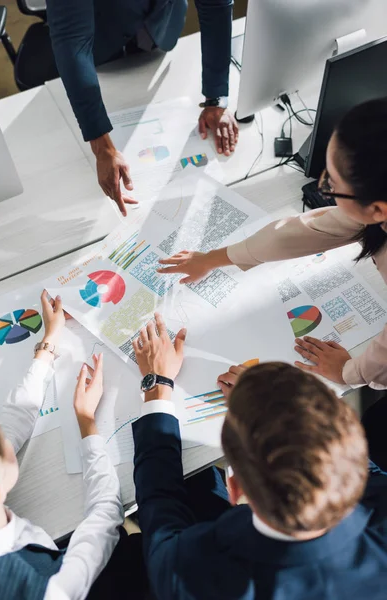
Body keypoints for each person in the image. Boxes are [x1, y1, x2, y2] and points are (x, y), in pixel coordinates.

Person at [131, 313, 387, 600]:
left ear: (235, 488)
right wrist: (270, 409)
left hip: (230, 544)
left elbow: (159, 506)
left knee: (193, 487)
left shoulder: (191, 573)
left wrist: (157, 386)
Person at [157, 97, 387, 390]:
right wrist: (211, 259)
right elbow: (299, 233)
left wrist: (350, 373)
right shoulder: (376, 203)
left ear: (378, 209)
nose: (324, 189)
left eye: (332, 185)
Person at [0, 291, 134, 600]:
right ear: (3, 483)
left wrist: (49, 341)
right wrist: (86, 421)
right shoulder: (48, 586)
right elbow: (105, 515)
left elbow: (14, 420)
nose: (5, 437)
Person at [46, 0, 239, 216]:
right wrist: (101, 145)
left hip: (162, 31)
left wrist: (215, 97)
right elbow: (72, 40)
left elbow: (215, 5)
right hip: (100, 47)